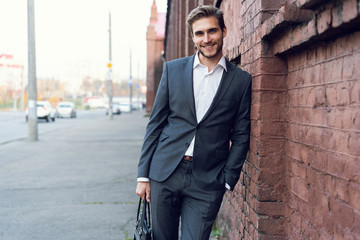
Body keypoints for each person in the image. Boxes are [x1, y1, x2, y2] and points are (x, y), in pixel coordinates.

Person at [136, 5, 251, 240]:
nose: (206, 39)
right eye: (199, 34)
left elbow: (241, 134)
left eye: (212, 31)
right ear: (192, 37)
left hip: (208, 180)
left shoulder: (240, 80)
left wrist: (228, 179)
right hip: (165, 173)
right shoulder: (173, 71)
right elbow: (155, 124)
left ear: (224, 31)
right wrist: (143, 176)